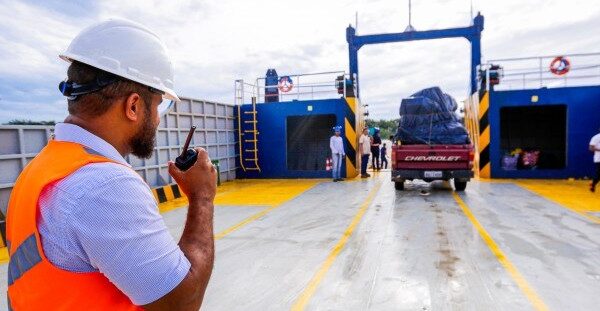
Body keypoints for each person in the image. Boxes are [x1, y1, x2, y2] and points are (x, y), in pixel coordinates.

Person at [6, 19, 215, 311]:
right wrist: (202, 197)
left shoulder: (42, 168)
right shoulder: (104, 186)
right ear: (133, 106)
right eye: (157, 106)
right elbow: (181, 302)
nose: (157, 119)